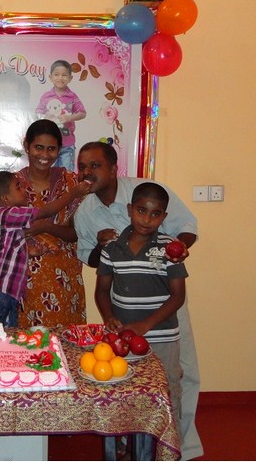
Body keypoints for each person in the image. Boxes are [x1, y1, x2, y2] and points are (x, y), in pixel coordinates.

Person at [74, 141, 203, 460]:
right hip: (124, 309)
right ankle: (126, 438)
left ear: (113, 168)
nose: (87, 172)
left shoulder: (146, 190)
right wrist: (102, 246)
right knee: (125, 377)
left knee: (180, 372)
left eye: (95, 165)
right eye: (83, 166)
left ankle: (179, 446)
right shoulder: (85, 210)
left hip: (163, 304)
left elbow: (187, 227)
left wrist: (179, 250)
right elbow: (89, 257)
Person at [95, 182, 186, 443]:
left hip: (163, 337)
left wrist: (145, 325)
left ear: (163, 217)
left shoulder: (170, 248)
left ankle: (168, 447)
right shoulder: (112, 248)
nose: (147, 219)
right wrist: (108, 316)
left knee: (167, 389)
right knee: (127, 391)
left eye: (155, 214)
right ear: (130, 209)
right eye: (141, 211)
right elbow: (102, 291)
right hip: (124, 339)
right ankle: (128, 445)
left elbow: (178, 296)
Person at [0, 171, 90, 328]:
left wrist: (31, 252)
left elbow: (7, 249)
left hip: (7, 291)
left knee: (8, 333)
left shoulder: (5, 218)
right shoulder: (8, 213)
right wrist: (73, 194)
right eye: (18, 187)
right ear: (5, 199)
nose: (24, 190)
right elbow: (46, 212)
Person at [15, 119, 88, 328]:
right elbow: (3, 235)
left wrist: (45, 227)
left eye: (51, 149)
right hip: (23, 284)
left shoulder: (71, 183)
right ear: (26, 145)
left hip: (64, 281)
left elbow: (76, 233)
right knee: (25, 344)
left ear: (59, 150)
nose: (45, 155)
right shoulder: (11, 185)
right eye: (38, 147)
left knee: (64, 343)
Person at [36, 60, 86, 171]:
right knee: (49, 172)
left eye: (64, 75)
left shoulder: (72, 97)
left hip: (67, 143)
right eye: (56, 74)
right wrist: (46, 117)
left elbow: (82, 113)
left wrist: (69, 117)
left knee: (66, 173)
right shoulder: (46, 96)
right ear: (50, 77)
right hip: (49, 143)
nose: (60, 78)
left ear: (70, 78)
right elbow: (38, 112)